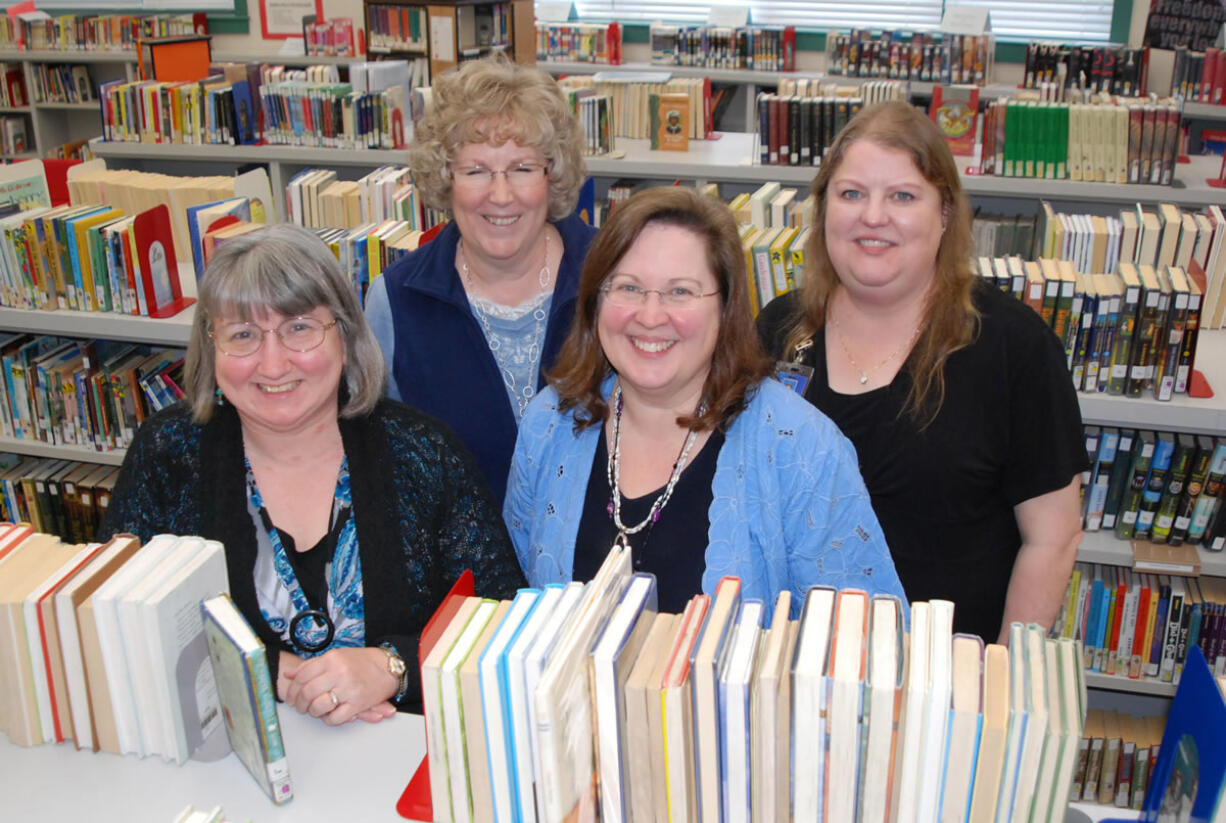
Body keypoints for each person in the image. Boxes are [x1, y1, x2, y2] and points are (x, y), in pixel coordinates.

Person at [101, 224, 524, 723]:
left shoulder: (424, 453)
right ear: (211, 347)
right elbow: (116, 617)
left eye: (299, 328)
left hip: (398, 759)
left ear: (343, 335)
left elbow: (503, 620)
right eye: (242, 335)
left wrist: (395, 667)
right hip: (225, 757)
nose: (273, 363)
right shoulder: (168, 452)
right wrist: (252, 667)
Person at [757, 101, 1086, 643]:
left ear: (946, 214)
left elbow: (1053, 538)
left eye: (903, 196)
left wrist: (996, 676)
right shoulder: (778, 330)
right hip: (796, 663)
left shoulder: (1013, 347)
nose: (873, 216)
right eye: (851, 193)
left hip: (948, 680)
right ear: (823, 209)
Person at [504, 186, 906, 613]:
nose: (651, 315)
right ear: (595, 300)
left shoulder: (804, 450)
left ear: (726, 307)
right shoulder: (550, 422)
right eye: (628, 287)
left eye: (680, 292)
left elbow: (863, 646)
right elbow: (524, 612)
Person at [364, 55, 597, 505]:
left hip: (602, 567)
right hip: (458, 570)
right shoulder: (395, 303)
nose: (501, 195)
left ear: (552, 175)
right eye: (476, 171)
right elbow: (381, 468)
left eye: (522, 168)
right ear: (445, 178)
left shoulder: (611, 275)